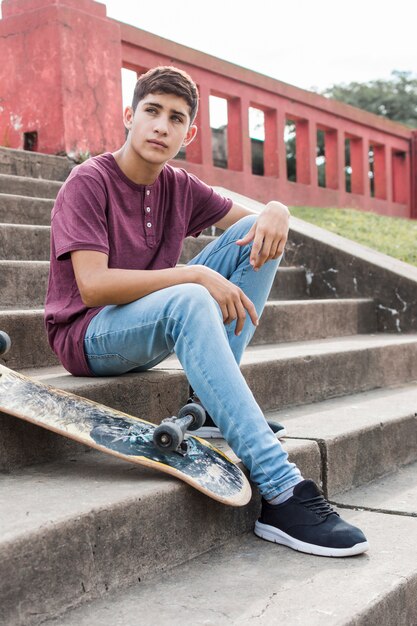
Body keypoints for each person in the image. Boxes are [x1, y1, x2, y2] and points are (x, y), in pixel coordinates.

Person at [45, 65, 368, 558]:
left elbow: (255, 225)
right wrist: (192, 274)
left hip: (144, 323)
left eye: (175, 119)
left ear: (188, 133)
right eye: (151, 112)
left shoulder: (177, 185)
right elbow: (92, 287)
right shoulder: (88, 182)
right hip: (86, 337)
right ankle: (281, 490)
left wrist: (278, 208)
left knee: (261, 234)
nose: (161, 126)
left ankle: (213, 399)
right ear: (129, 116)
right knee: (194, 294)